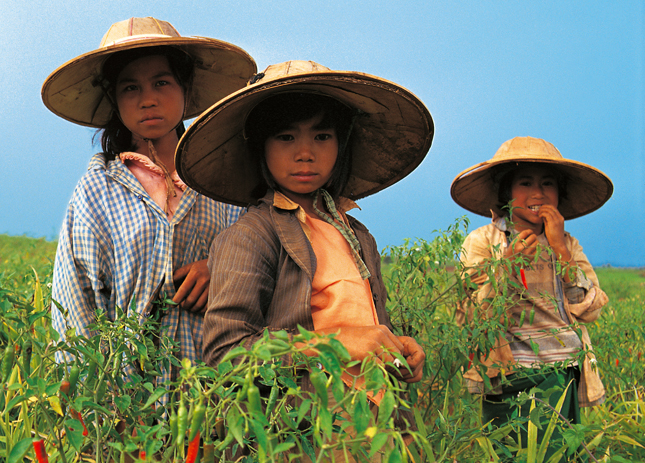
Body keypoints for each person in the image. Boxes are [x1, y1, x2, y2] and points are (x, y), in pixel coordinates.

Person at [176, 60, 433, 459]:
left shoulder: (357, 235)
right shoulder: (251, 236)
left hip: (373, 431)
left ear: (340, 144)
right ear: (260, 146)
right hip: (301, 434)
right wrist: (335, 344)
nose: (305, 153)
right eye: (285, 137)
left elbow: (365, 327)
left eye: (322, 135)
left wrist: (397, 347)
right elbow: (228, 354)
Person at [42, 17, 256, 386]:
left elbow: (263, 259)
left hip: (218, 388)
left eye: (162, 82)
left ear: (185, 89)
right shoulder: (96, 191)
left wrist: (220, 266)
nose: (148, 99)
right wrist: (96, 406)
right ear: (114, 100)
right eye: (130, 88)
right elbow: (75, 305)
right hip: (126, 393)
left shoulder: (226, 181)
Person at [450, 136, 613, 459]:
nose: (538, 193)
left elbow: (591, 306)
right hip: (505, 372)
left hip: (560, 366)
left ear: (559, 194)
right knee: (509, 450)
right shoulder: (482, 241)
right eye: (525, 182)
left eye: (548, 183)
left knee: (557, 451)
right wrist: (507, 266)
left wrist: (561, 253)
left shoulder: (567, 243)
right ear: (506, 192)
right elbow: (470, 314)